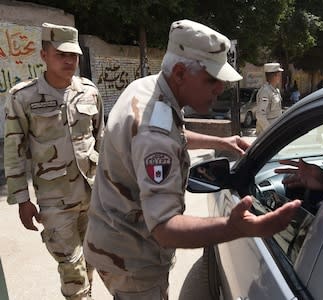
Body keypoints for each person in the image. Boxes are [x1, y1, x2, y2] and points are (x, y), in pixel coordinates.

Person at [83, 19, 301, 299]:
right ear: (180, 72)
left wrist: (222, 141)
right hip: (132, 261)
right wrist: (234, 228)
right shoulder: (154, 135)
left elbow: (176, 133)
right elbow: (165, 228)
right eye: (212, 79)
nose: (219, 88)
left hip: (113, 240)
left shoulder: (149, 89)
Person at [3, 23, 104, 300]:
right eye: (61, 54)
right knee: (71, 267)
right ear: (44, 54)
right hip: (54, 201)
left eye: (74, 55)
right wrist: (22, 199)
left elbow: (100, 139)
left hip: (92, 193)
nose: (70, 61)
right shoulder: (22, 97)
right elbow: (14, 149)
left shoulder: (89, 92)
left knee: (91, 258)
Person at [256, 62, 284, 135]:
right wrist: (269, 131)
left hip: (276, 128)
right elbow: (260, 115)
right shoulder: (265, 92)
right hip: (268, 132)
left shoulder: (275, 90)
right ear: (275, 76)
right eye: (279, 74)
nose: (280, 77)